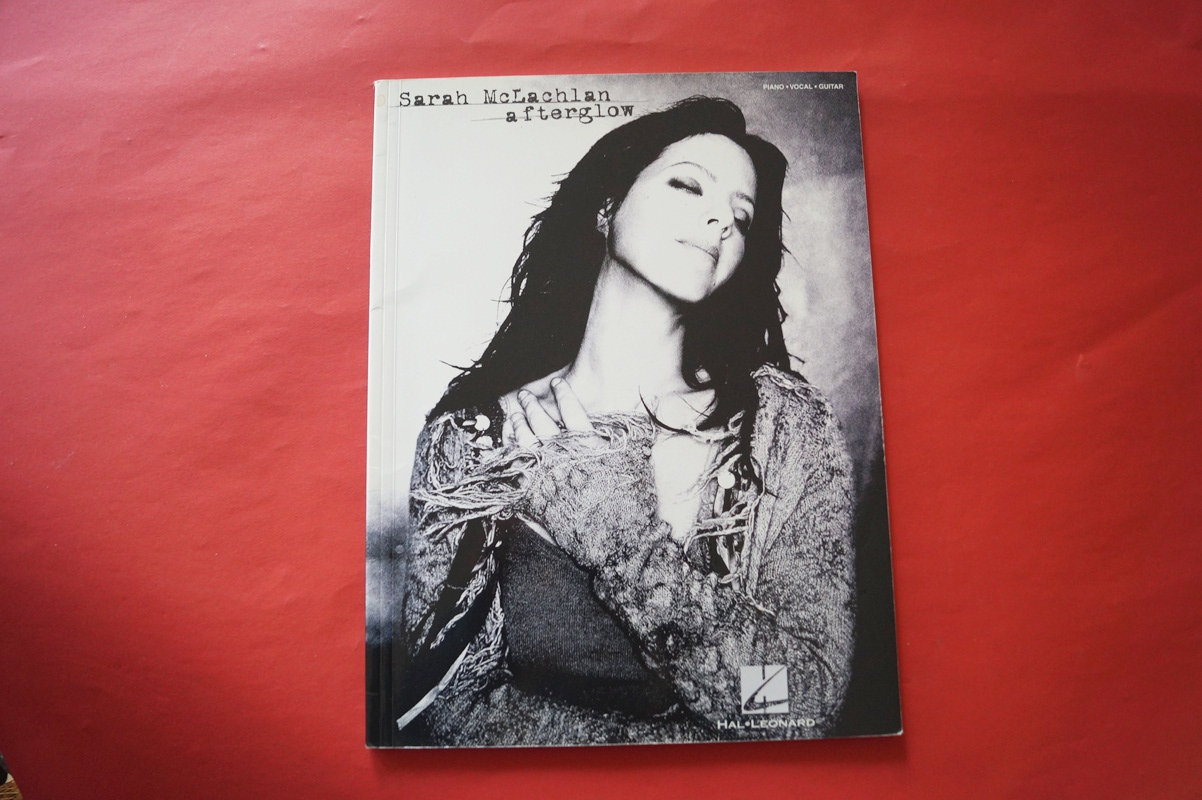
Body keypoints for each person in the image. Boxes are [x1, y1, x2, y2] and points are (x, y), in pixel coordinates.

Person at [394, 97, 855, 746]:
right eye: (688, 185)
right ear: (606, 208)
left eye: (742, 216)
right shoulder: (470, 446)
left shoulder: (788, 431)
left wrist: (618, 532)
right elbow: (442, 707)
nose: (721, 220)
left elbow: (794, 703)